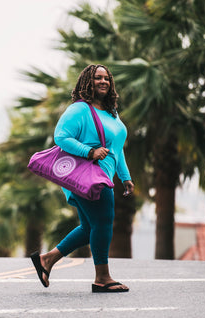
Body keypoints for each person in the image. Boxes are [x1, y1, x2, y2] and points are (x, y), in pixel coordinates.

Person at [30, 64, 134, 293]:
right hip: (88, 176)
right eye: (98, 78)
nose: (103, 81)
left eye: (106, 78)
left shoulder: (111, 112)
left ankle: (47, 260)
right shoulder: (80, 109)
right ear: (88, 81)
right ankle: (102, 278)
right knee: (104, 222)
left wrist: (124, 176)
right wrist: (89, 152)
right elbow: (61, 137)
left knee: (90, 227)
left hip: (104, 174)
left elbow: (117, 148)